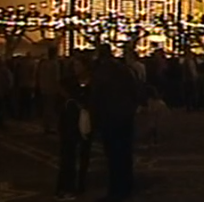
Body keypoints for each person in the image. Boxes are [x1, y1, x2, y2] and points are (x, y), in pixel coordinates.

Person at [90, 44, 140, 202]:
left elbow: (96, 96)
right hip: (125, 114)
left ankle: (116, 189)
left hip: (110, 116)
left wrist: (94, 118)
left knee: (113, 155)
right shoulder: (124, 69)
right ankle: (127, 185)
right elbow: (135, 90)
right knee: (125, 152)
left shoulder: (101, 72)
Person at [55, 75, 91, 201]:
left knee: (68, 163)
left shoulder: (70, 104)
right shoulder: (73, 103)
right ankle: (67, 188)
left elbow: (69, 124)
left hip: (69, 138)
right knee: (68, 163)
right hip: (72, 138)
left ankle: (66, 189)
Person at [38, 47, 62, 134]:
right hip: (52, 88)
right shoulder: (54, 64)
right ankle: (51, 126)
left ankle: (46, 125)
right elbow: (56, 78)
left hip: (44, 88)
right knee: (51, 108)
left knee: (46, 107)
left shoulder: (44, 64)